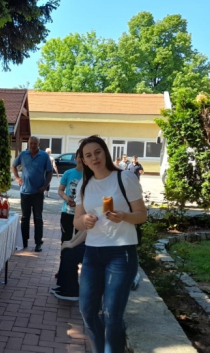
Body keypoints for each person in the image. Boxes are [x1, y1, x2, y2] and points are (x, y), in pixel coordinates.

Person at [74, 135, 147, 353]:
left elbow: (142, 215)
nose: (94, 157)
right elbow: (77, 222)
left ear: (105, 152)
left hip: (121, 253)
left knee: (112, 314)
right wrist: (84, 221)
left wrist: (124, 215)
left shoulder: (125, 178)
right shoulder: (83, 185)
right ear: (84, 161)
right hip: (93, 254)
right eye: (88, 155)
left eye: (97, 152)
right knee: (87, 310)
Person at [12, 136, 53, 252]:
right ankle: (23, 241)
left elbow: (49, 172)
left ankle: (38, 243)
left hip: (38, 193)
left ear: (38, 144)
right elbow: (14, 165)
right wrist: (17, 178)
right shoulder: (23, 154)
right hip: (25, 192)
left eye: (35, 143)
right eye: (31, 143)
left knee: (38, 218)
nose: (33, 145)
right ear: (28, 144)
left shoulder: (44, 156)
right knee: (25, 218)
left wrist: (45, 186)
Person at [50, 230, 87, 301]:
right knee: (66, 250)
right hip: (93, 246)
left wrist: (72, 244)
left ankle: (73, 291)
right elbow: (84, 229)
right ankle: (65, 287)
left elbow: (87, 230)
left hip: (99, 249)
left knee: (70, 253)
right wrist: (71, 242)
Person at [58, 149, 83, 243]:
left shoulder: (90, 175)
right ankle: (64, 257)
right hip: (67, 212)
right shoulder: (68, 173)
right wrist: (67, 198)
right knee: (65, 239)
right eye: (80, 157)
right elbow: (60, 190)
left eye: (84, 157)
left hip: (82, 214)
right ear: (76, 158)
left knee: (79, 242)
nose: (81, 159)